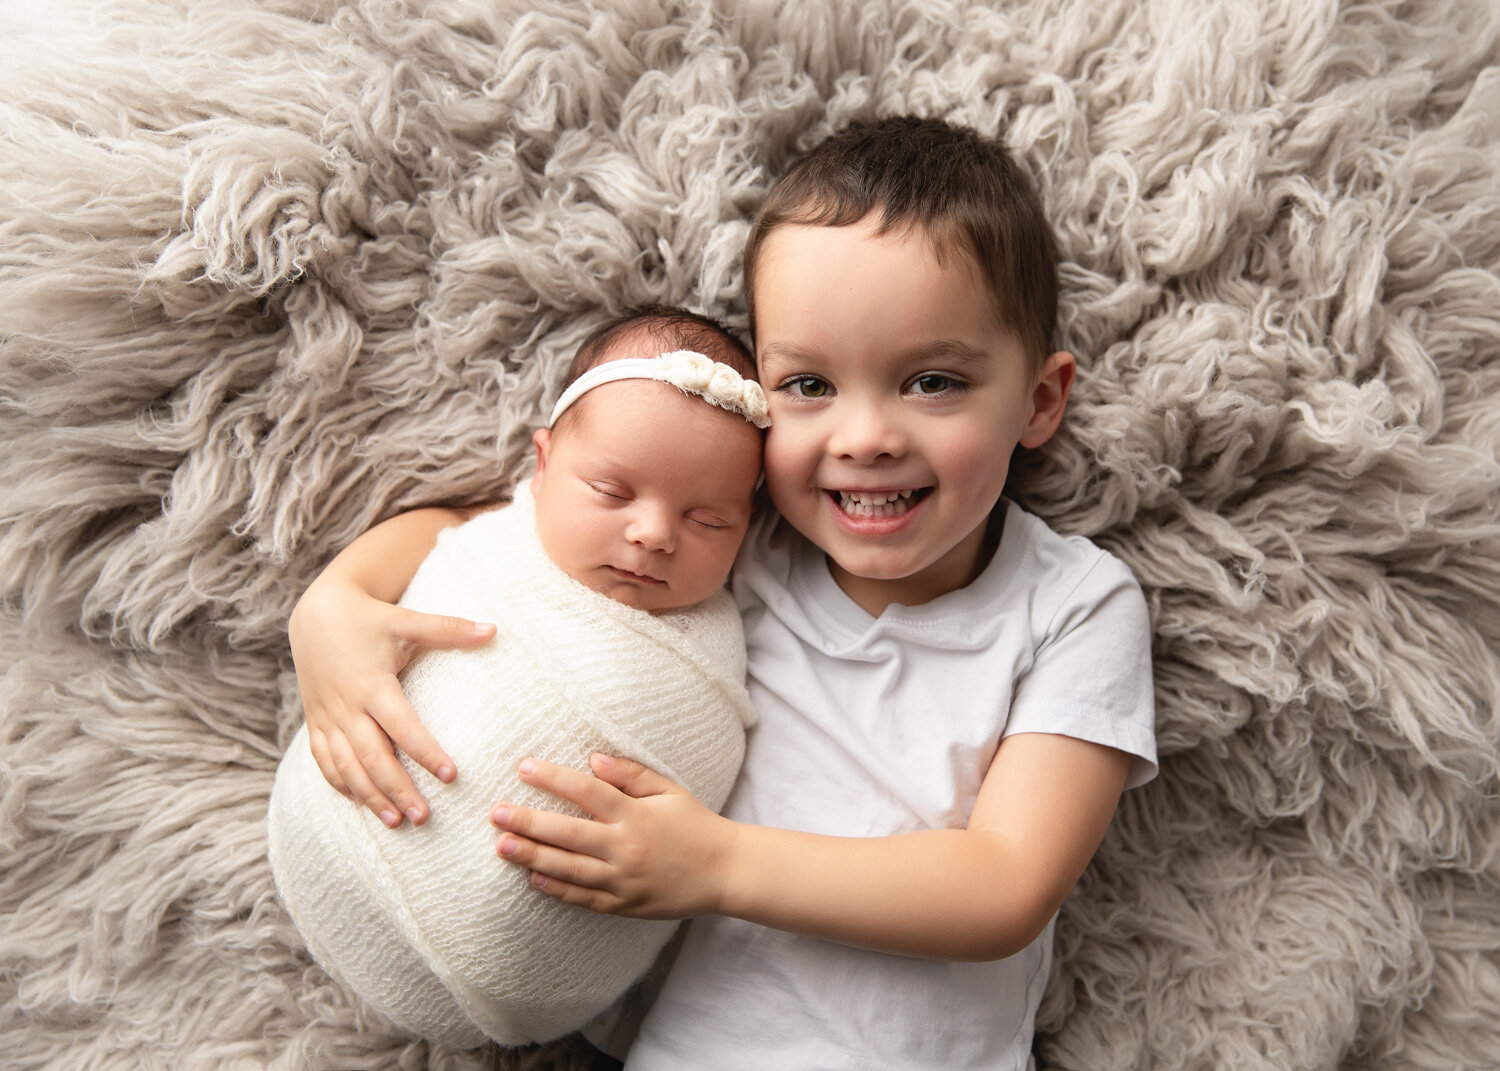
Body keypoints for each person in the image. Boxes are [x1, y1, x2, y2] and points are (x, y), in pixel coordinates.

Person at [287, 116, 1157, 1069]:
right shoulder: (729, 539)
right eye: (810, 384)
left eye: (933, 381)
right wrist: (333, 608)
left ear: (1040, 400)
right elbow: (504, 532)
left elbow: (1005, 885)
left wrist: (717, 865)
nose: (864, 436)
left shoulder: (1073, 605)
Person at [269, 307, 768, 1049]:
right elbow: (438, 531)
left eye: (709, 521)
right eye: (611, 490)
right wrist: (331, 604)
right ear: (541, 466)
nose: (654, 533)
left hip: (520, 987)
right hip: (321, 831)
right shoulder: (500, 537)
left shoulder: (724, 642)